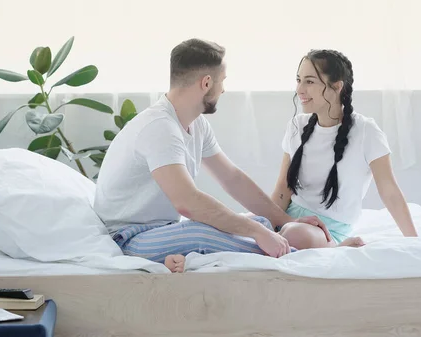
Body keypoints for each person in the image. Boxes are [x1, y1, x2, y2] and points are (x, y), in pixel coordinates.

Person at [93, 38, 337, 273]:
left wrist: (281, 220)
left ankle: (284, 240)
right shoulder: (159, 128)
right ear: (206, 83)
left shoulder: (195, 124)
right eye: (222, 81)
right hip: (127, 239)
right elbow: (187, 202)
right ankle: (315, 256)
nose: (224, 89)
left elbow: (232, 179)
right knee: (204, 232)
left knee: (255, 222)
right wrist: (258, 233)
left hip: (161, 230)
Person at [270, 49, 418, 250]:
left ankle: (335, 247)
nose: (300, 89)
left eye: (310, 81)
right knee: (239, 223)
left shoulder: (366, 131)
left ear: (337, 86)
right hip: (290, 217)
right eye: (299, 80)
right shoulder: (297, 125)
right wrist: (269, 224)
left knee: (296, 236)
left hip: (327, 229)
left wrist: (416, 242)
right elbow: (282, 189)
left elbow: (390, 192)